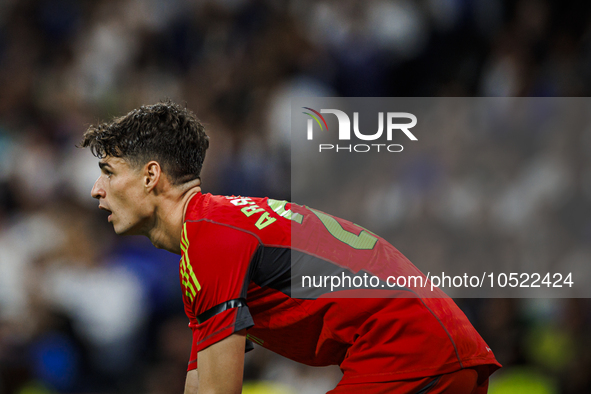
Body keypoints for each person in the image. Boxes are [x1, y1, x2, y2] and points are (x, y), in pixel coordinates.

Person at [81, 100, 500, 394]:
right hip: (435, 352)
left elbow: (219, 391)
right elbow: (201, 379)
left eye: (108, 172)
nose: (96, 190)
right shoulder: (211, 232)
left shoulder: (210, 238)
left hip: (410, 353)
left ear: (151, 176)